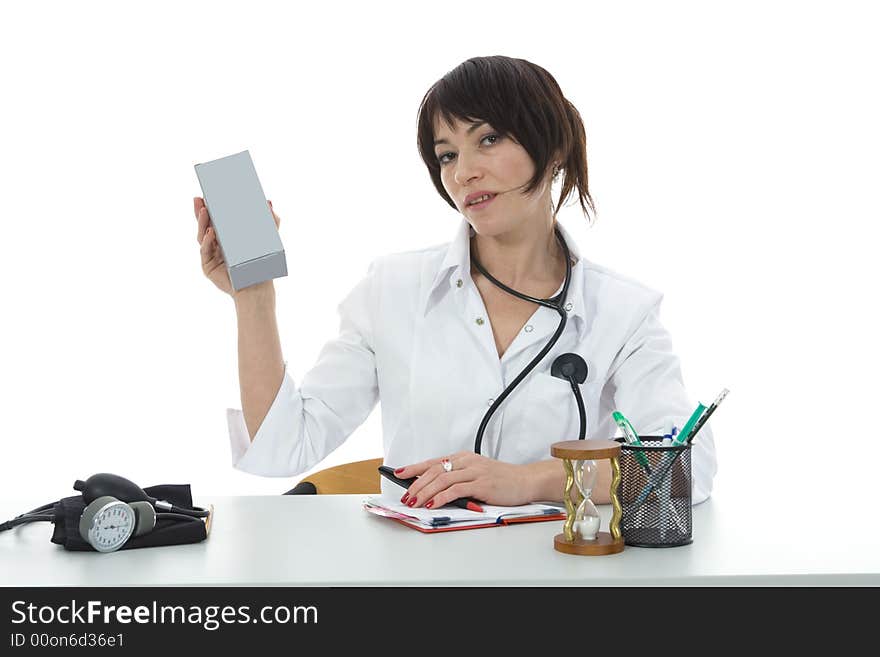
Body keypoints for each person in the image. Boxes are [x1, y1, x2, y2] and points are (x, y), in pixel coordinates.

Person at [192, 55, 717, 509]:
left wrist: (529, 481)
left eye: (488, 139)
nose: (463, 172)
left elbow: (684, 472)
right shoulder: (393, 288)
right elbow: (284, 446)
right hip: (414, 585)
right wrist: (254, 300)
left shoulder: (623, 312)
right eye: (447, 154)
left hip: (562, 580)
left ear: (553, 148)